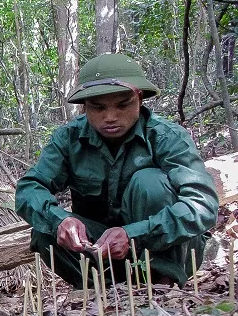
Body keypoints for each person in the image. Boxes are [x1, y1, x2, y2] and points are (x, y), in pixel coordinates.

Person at [15, 53, 219, 288]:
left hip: (163, 250)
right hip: (103, 255)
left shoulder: (166, 137)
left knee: (149, 182)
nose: (110, 117)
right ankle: (104, 295)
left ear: (139, 98)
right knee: (44, 231)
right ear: (84, 106)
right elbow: (29, 188)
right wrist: (60, 220)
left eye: (123, 105)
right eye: (98, 107)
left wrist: (133, 235)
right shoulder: (68, 139)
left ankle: (163, 286)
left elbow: (203, 205)